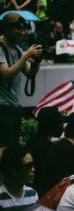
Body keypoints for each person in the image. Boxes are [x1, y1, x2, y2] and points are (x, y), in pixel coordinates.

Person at [0, 13, 42, 146]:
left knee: (13, 147)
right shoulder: (1, 48)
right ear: (7, 29)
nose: (23, 32)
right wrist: (25, 56)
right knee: (5, 148)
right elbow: (6, 74)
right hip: (3, 107)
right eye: (19, 28)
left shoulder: (17, 49)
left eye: (24, 28)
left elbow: (29, 74)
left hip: (14, 106)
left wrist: (36, 61)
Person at [0, 145, 38, 211]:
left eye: (33, 165)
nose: (33, 169)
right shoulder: (1, 197)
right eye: (28, 166)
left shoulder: (32, 193)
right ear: (13, 170)